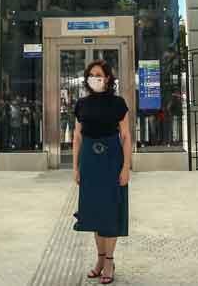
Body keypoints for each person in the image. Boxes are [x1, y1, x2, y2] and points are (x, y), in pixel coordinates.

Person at [73, 60, 130, 285]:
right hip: (89, 161)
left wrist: (126, 167)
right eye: (91, 74)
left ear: (107, 78)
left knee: (110, 212)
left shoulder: (118, 104)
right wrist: (76, 167)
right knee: (95, 212)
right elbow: (77, 137)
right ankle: (99, 260)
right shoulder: (81, 104)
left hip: (111, 160)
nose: (94, 78)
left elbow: (125, 136)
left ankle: (109, 262)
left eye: (99, 74)